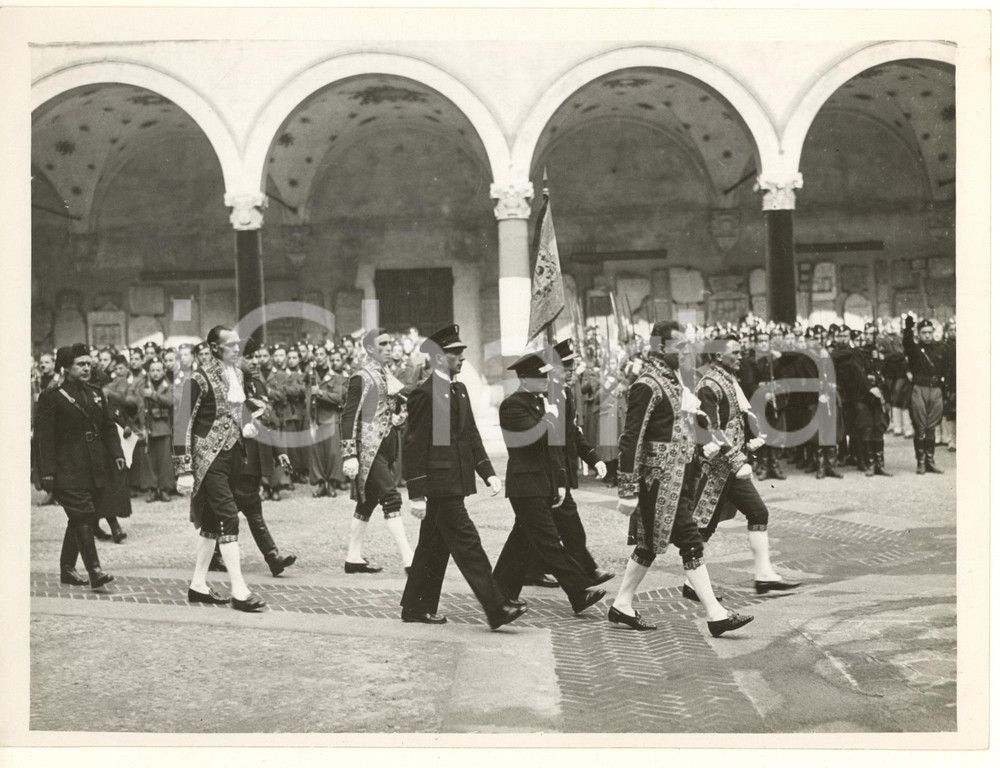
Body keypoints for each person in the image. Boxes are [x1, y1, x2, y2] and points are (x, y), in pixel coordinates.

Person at [610, 321, 753, 636]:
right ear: (660, 347)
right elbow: (631, 438)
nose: (686, 351)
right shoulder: (647, 384)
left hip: (679, 479)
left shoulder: (675, 382)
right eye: (679, 346)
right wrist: (628, 489)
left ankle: (621, 603)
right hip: (656, 482)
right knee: (689, 540)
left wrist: (707, 439)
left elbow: (684, 425)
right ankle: (716, 614)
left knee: (648, 547)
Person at [400, 325, 525, 629]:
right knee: (468, 544)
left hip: (455, 482)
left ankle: (415, 606)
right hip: (440, 487)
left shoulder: (460, 390)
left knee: (433, 546)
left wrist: (488, 473)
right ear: (440, 358)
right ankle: (495, 606)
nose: (462, 359)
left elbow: (470, 434)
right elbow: (414, 445)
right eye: (456, 354)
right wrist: (416, 493)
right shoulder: (423, 394)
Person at [491, 352, 607, 616]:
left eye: (546, 374)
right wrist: (550, 417)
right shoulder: (512, 405)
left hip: (542, 485)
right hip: (525, 485)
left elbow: (557, 451)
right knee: (549, 541)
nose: (546, 380)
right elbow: (534, 440)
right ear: (523, 378)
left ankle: (497, 593)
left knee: (520, 543)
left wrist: (560, 483)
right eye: (539, 376)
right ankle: (579, 591)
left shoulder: (542, 404)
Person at [689, 334, 801, 595]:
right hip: (717, 468)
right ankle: (691, 584)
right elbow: (710, 427)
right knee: (702, 528)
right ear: (718, 356)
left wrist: (750, 441)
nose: (741, 357)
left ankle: (763, 576)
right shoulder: (708, 385)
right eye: (735, 352)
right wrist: (738, 460)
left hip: (731, 467)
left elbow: (738, 417)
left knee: (758, 513)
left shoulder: (728, 379)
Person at [173, 325, 266, 611]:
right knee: (229, 517)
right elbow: (181, 425)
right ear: (214, 347)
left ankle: (198, 585)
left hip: (232, 456)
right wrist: (184, 469)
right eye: (231, 345)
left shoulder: (237, 373)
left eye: (237, 344)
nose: (237, 349)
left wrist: (247, 422)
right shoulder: (197, 379)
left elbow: (238, 407)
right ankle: (239, 591)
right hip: (207, 459)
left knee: (213, 523)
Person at [520, 339, 615, 591]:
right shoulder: (546, 395)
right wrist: (560, 476)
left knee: (532, 528)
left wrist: (593, 458)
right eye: (567, 367)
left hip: (558, 469)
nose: (573, 371)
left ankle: (530, 569)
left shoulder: (565, 392)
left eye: (574, 366)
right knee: (569, 525)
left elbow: (572, 433)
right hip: (549, 471)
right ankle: (587, 570)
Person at [35, 343, 125, 589]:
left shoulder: (95, 393)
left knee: (79, 517)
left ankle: (66, 568)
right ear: (65, 368)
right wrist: (47, 472)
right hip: (66, 469)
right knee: (83, 514)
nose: (87, 368)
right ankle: (95, 571)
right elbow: (44, 438)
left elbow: (108, 427)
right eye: (81, 364)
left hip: (93, 466)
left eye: (89, 363)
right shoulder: (51, 397)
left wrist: (117, 454)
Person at [340, 328, 414, 574]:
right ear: (370, 349)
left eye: (390, 342)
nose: (389, 346)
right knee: (391, 498)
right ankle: (409, 560)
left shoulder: (386, 374)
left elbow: (388, 410)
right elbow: (349, 415)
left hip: (386, 446)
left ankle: (353, 557)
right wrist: (349, 453)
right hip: (367, 450)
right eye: (383, 344)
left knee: (367, 502)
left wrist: (397, 419)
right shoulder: (361, 377)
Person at [902, 314, 948, 474]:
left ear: (933, 332)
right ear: (919, 334)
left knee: (931, 428)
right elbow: (906, 343)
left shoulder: (941, 348)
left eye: (929, 332)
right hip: (919, 389)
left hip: (935, 389)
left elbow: (946, 369)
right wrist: (908, 328)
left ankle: (930, 460)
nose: (927, 335)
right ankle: (920, 462)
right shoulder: (915, 349)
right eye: (924, 332)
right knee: (920, 427)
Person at [307, 344, 346, 498]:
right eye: (316, 354)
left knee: (332, 453)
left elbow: (338, 397)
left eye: (322, 354)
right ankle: (321, 483)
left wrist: (321, 393)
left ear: (327, 357)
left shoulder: (337, 377)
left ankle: (331, 483)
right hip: (315, 418)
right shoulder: (310, 376)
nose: (319, 357)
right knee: (316, 453)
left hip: (330, 418)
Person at [141, 357, 176, 501]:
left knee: (164, 461)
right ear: (148, 372)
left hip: (163, 427)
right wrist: (141, 425)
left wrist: (153, 395)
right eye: (152, 370)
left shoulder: (169, 386)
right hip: (148, 427)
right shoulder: (143, 386)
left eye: (158, 370)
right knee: (149, 460)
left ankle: (164, 489)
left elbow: (171, 401)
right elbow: (139, 405)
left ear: (164, 371)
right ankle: (152, 488)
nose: (155, 373)